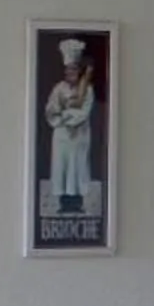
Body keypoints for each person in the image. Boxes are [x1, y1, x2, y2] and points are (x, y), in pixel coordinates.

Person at [45, 37, 97, 215]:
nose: (70, 72)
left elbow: (85, 111)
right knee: (63, 167)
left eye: (74, 69)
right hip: (61, 136)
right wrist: (62, 119)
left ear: (79, 70)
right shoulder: (58, 89)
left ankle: (77, 203)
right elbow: (52, 110)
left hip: (79, 136)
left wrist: (68, 116)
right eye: (68, 69)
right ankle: (63, 203)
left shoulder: (87, 89)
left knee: (77, 167)